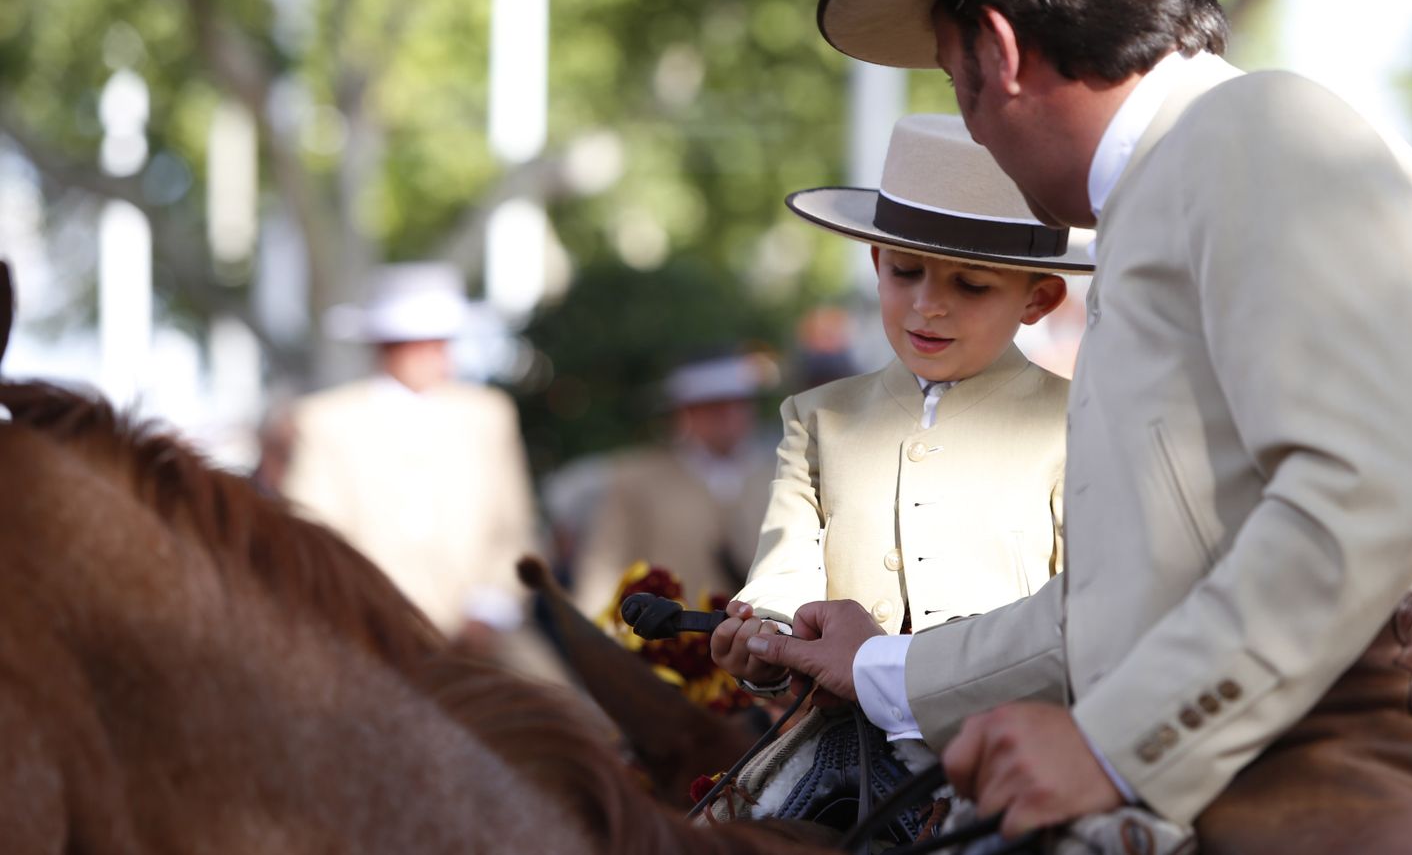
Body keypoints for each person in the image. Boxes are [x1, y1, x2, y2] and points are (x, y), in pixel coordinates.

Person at [741, 0, 1412, 853]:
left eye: (947, 75)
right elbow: (1122, 604)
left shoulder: (1253, 134)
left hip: (1368, 753)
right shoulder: (1190, 170)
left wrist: (1110, 748)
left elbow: (1367, 488)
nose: (968, 123)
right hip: (1298, 741)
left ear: (996, 53)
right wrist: (883, 667)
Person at [712, 113, 1087, 694]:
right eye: (905, 272)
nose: (928, 305)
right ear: (876, 265)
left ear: (1038, 298)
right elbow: (784, 572)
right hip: (840, 728)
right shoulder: (816, 418)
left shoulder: (1079, 421)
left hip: (1009, 731)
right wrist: (766, 634)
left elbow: (1091, 606)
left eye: (971, 284)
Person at [281, 263, 544, 664]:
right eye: (415, 341)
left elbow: (514, 527)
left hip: (482, 636)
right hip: (364, 634)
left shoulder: (486, 415)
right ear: (385, 346)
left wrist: (489, 609)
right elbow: (313, 530)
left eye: (440, 341)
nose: (433, 354)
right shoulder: (328, 421)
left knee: (573, 714)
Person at [569, 351, 778, 618]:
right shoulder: (637, 479)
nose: (727, 415)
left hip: (774, 643)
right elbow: (604, 566)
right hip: (672, 646)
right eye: (712, 405)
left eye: (737, 403)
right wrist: (600, 635)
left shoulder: (786, 473)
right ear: (684, 411)